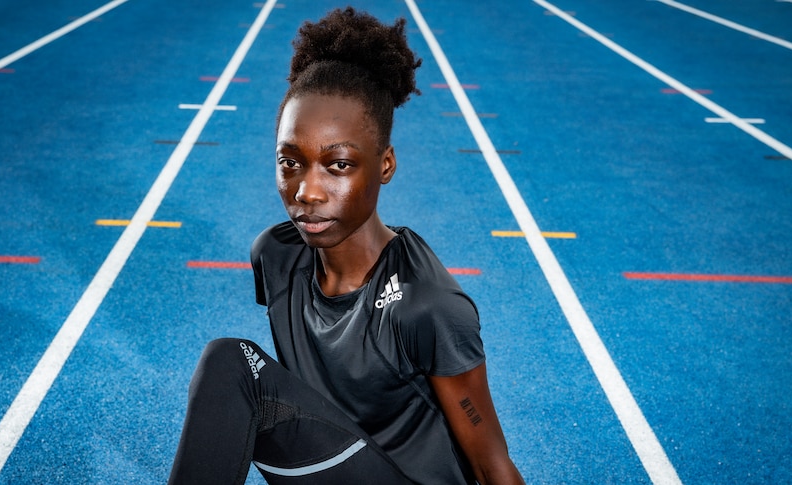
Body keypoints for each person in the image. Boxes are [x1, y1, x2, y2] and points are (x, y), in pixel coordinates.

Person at [169, 7, 525, 485]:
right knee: (231, 367)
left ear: (385, 165)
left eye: (337, 165)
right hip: (334, 467)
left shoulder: (427, 306)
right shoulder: (275, 256)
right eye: (290, 162)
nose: (307, 192)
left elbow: (490, 465)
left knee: (231, 363)